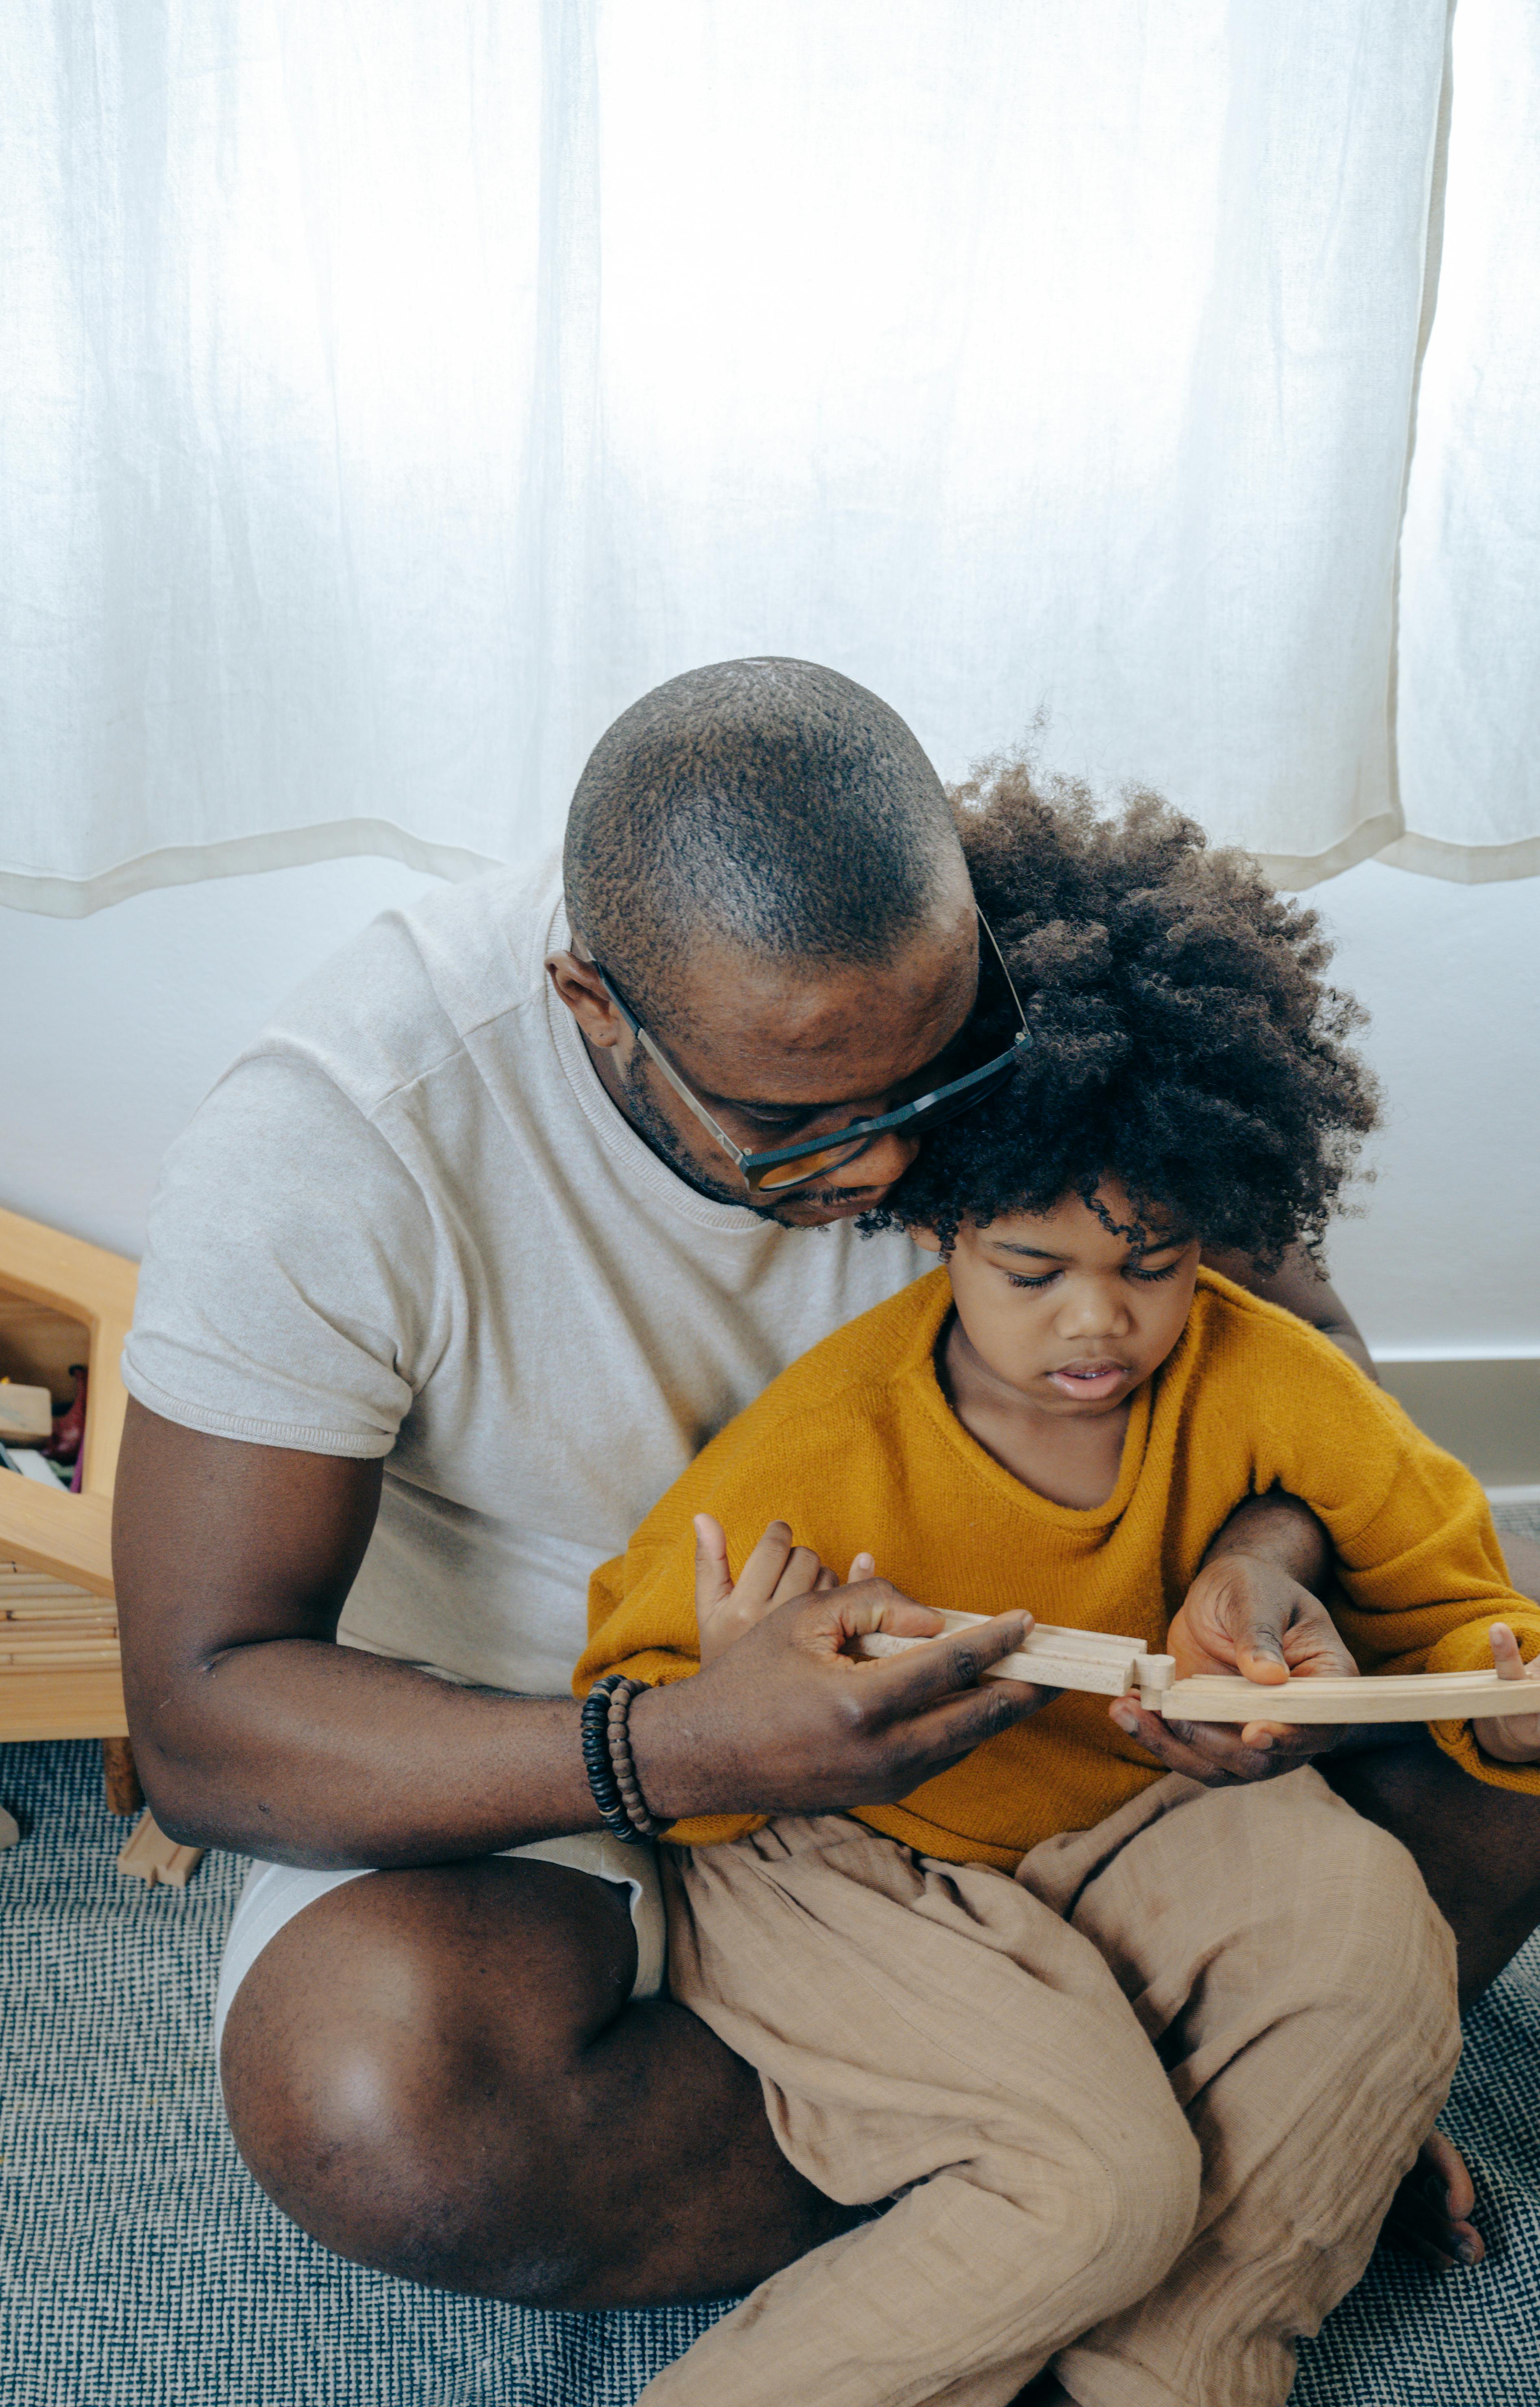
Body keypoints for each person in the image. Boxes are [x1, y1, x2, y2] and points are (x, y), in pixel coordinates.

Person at [111, 662, 1538, 2307]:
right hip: (565, 1754)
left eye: (924, 1094)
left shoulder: (1025, 975)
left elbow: (1308, 1366)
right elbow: (205, 1722)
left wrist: (1264, 1554)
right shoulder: (347, 1134)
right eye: (790, 1131)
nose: (877, 1165)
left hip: (1071, 1734)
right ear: (594, 1007)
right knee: (379, 2105)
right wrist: (683, 1745)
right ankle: (1206, 2148)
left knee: (1495, 1740)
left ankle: (1138, 2157)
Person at [576, 773, 1540, 2404]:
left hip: (1123, 1824)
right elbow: (636, 1682)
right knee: (1097, 2177)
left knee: (1373, 1951)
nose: (1094, 1323)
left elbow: (1455, 1598)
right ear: (939, 1220)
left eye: (1148, 1265)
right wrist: (722, 1695)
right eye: (1032, 1272)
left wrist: (1500, 1711)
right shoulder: (830, 1433)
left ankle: (1174, 2364)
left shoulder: (1263, 1378)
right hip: (845, 1862)